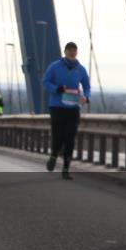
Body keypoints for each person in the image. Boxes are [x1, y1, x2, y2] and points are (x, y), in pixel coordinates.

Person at [42, 41, 91, 179]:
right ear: (65, 52)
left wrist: (86, 97)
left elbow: (87, 87)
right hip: (57, 107)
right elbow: (45, 81)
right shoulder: (55, 66)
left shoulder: (81, 69)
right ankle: (53, 156)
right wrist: (56, 88)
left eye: (74, 50)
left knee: (70, 139)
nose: (72, 52)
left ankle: (65, 169)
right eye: (69, 50)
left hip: (73, 108)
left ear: (76, 52)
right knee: (58, 136)